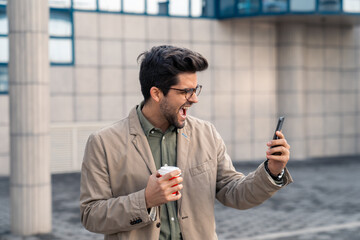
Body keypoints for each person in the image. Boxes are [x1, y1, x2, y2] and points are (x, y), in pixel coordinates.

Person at [80, 45, 292, 240]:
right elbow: (91, 215)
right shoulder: (103, 143)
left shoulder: (206, 133)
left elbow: (234, 193)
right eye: (185, 92)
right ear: (156, 93)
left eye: (195, 89)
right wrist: (144, 200)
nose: (194, 99)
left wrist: (272, 171)